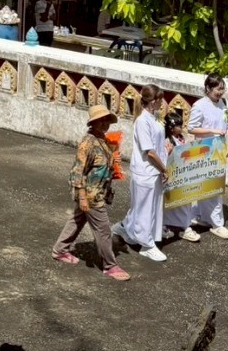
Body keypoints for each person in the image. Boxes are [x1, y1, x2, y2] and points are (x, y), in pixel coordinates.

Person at [51, 103, 130, 281]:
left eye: (106, 120)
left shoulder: (103, 141)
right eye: (100, 121)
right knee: (103, 229)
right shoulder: (87, 143)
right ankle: (110, 265)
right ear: (92, 123)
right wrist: (82, 197)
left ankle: (60, 250)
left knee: (77, 220)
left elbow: (103, 167)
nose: (104, 124)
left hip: (98, 191)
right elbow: (77, 172)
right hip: (90, 194)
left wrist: (113, 162)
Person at [114, 85, 170, 262]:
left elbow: (159, 141)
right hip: (146, 171)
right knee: (145, 209)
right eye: (160, 100)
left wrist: (166, 151)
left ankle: (128, 230)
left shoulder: (156, 116)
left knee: (151, 207)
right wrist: (164, 169)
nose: (162, 103)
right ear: (153, 101)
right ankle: (146, 244)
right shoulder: (142, 121)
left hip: (155, 170)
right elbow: (149, 151)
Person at [188, 73, 228, 240]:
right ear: (208, 88)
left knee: (216, 187)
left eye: (223, 89)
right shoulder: (199, 106)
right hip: (204, 149)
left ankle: (209, 218)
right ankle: (215, 223)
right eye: (218, 89)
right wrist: (213, 131)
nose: (220, 92)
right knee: (206, 185)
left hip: (219, 149)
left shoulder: (224, 103)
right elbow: (191, 128)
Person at [161, 110, 200, 244]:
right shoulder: (167, 141)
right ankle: (179, 226)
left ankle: (184, 225)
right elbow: (164, 157)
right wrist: (170, 152)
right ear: (171, 128)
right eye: (179, 125)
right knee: (173, 203)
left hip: (184, 175)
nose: (181, 128)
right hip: (173, 176)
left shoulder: (182, 138)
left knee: (186, 202)